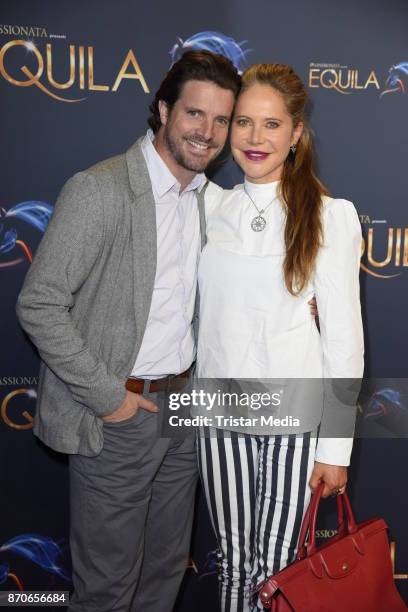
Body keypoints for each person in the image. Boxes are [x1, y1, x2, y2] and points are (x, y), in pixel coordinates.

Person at [16, 50, 240, 612]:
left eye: (221, 120)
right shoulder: (101, 189)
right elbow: (39, 303)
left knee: (165, 573)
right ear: (164, 110)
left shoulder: (207, 200)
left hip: (184, 412)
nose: (207, 132)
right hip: (120, 415)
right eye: (195, 114)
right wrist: (107, 395)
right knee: (109, 587)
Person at [195, 63, 364, 611]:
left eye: (271, 125)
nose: (254, 138)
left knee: (275, 568)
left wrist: (336, 448)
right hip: (218, 417)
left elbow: (344, 341)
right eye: (243, 122)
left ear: (296, 134)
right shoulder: (204, 206)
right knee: (234, 563)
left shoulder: (329, 217)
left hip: (296, 422)